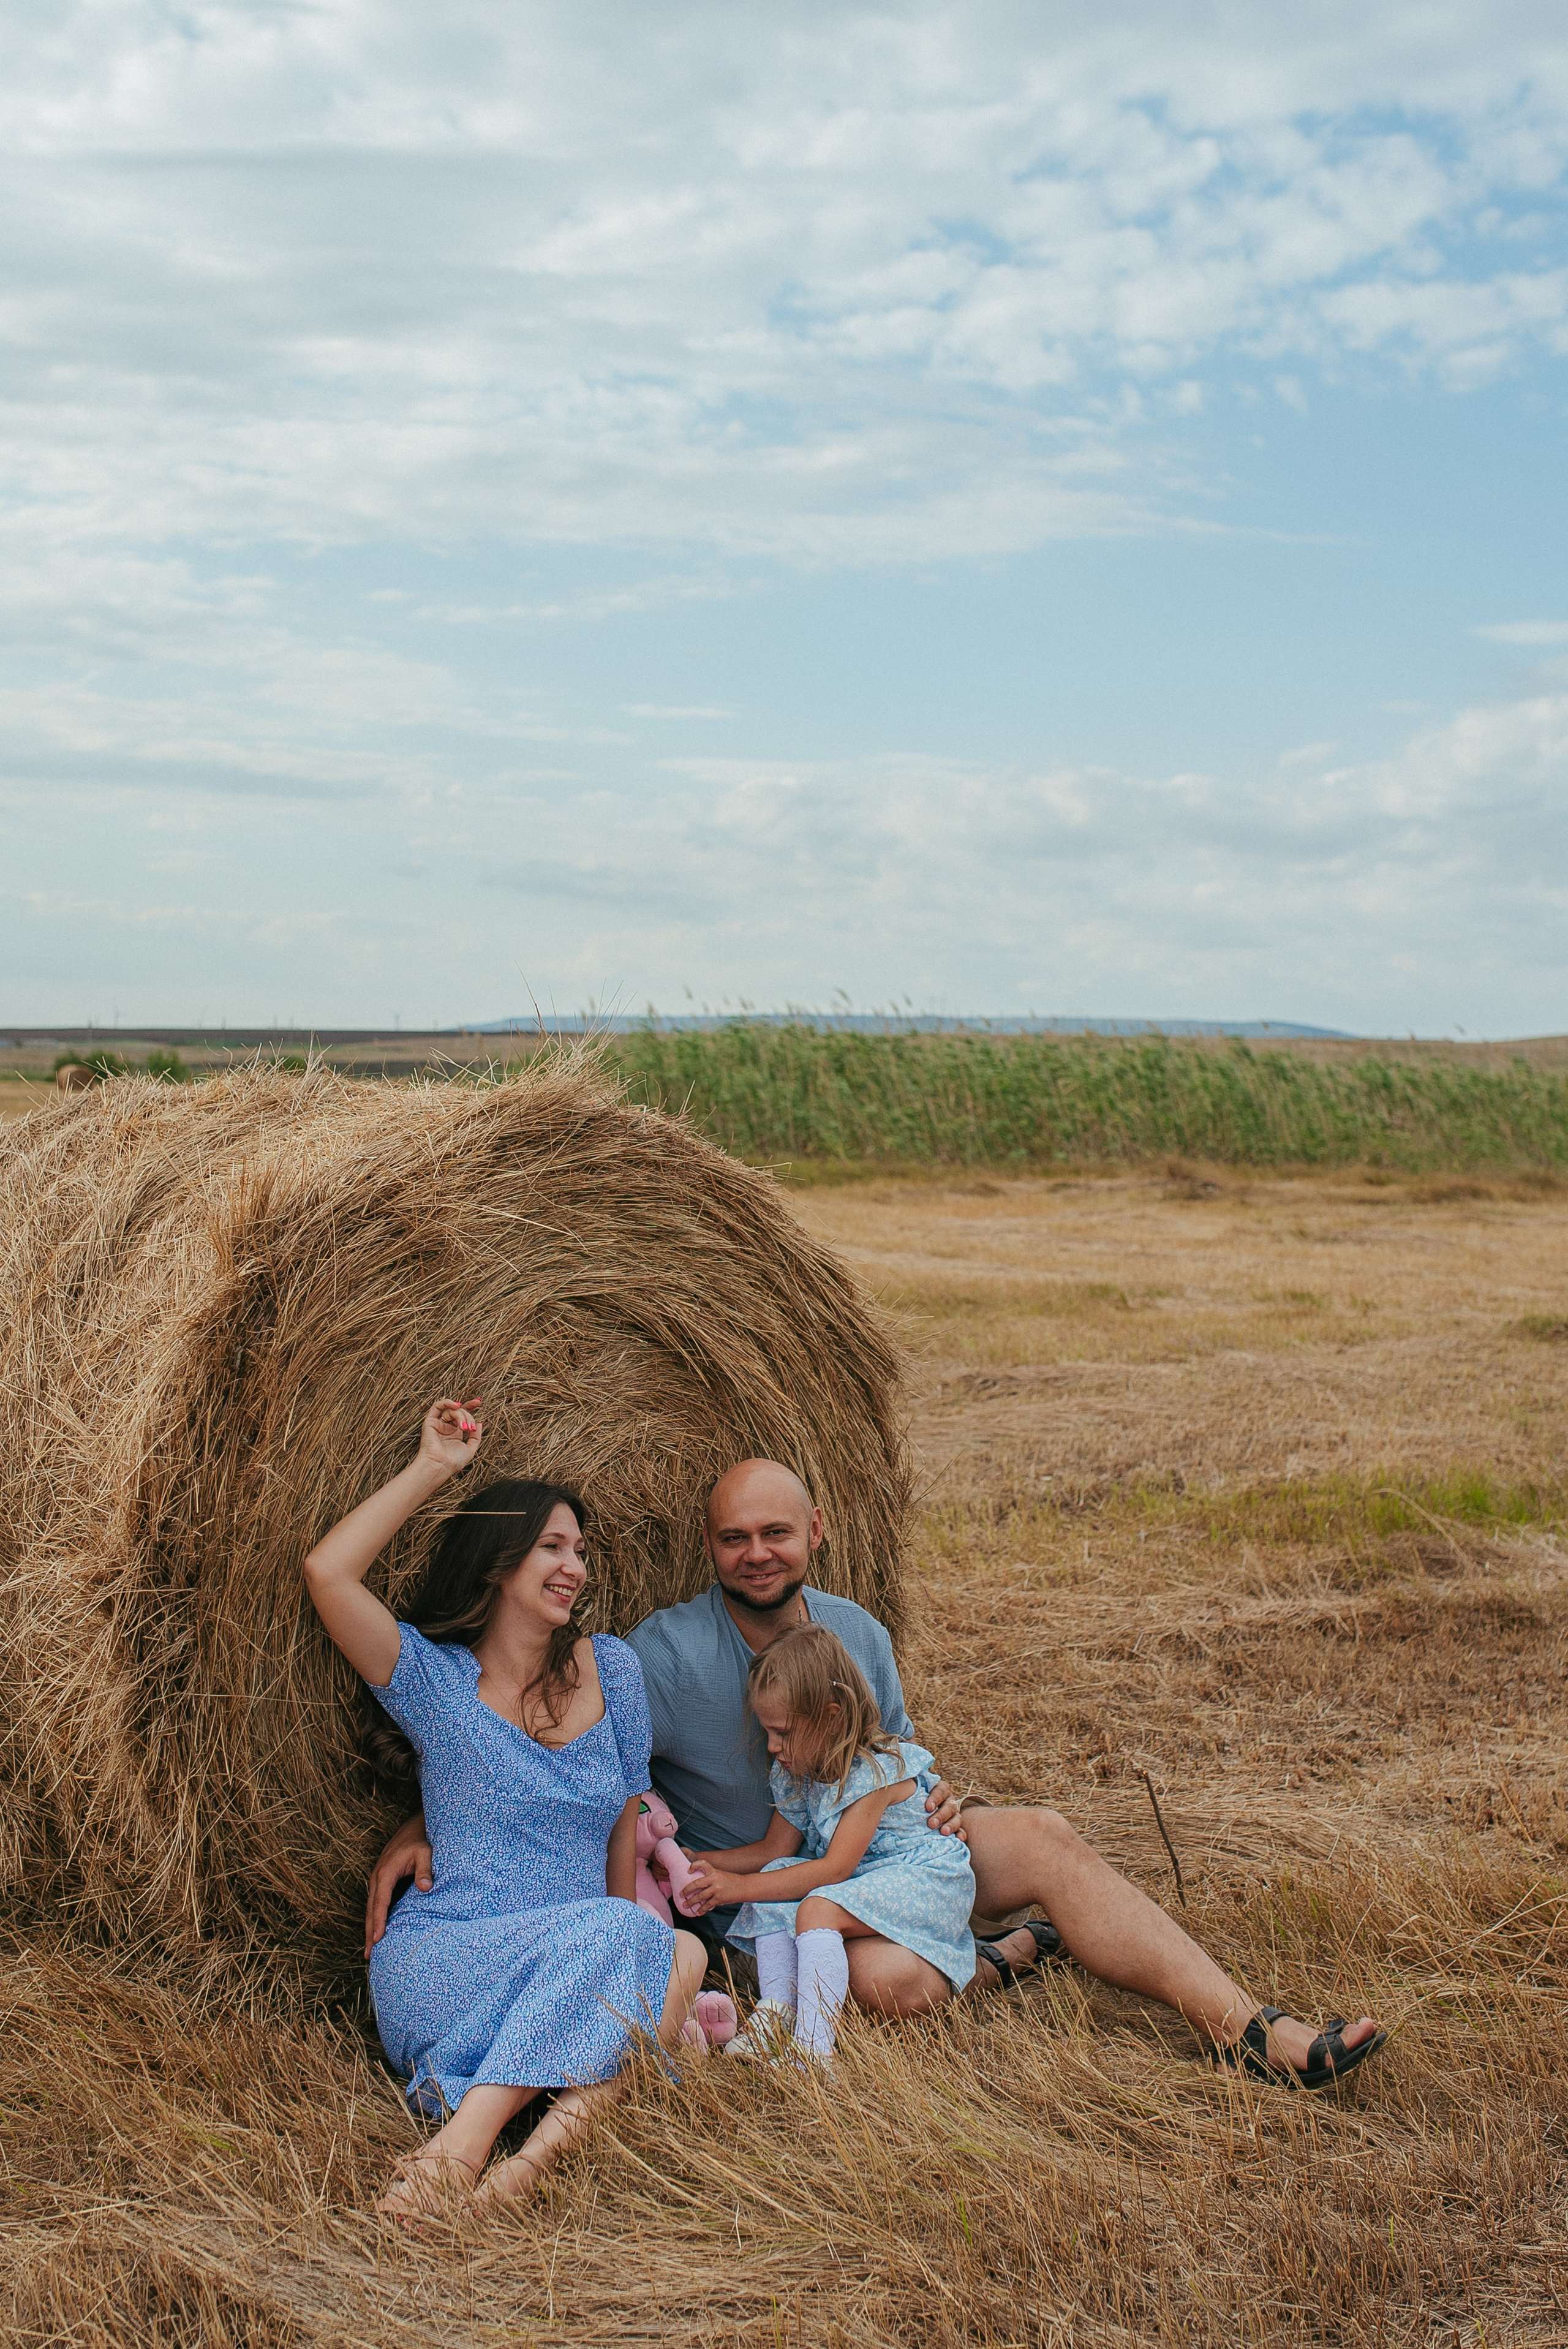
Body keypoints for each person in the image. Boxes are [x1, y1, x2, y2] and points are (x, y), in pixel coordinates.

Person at [368, 1457, 1386, 2093]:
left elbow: (891, 1765)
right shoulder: (661, 1657)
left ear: (816, 1529)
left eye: (776, 1532)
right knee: (895, 1988)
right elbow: (568, 1763)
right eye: (733, 1538)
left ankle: (1254, 2031)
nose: (756, 1554)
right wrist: (427, 1826)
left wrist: (948, 1801)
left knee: (1045, 1836)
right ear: (709, 1548)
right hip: (769, 1896)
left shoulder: (856, 1630)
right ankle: (1017, 1954)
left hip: (880, 1859)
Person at [304, 1395, 709, 2219]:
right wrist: (434, 1465)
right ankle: (471, 2145)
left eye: (582, 1550)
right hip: (447, 1959)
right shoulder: (436, 1686)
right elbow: (328, 1573)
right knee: (649, 1948)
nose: (576, 1566)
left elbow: (622, 1827)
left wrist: (615, 1943)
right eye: (552, 1547)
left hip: (570, 1950)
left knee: (675, 1951)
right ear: (498, 1561)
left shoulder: (614, 1669)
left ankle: (516, 2170)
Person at [686, 1622, 978, 2067]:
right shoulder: (798, 1771)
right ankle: (776, 2013)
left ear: (832, 1717)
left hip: (926, 1879)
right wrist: (702, 1862)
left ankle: (813, 2052)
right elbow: (770, 1850)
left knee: (815, 1906)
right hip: (870, 1879)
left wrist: (735, 1888)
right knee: (774, 1876)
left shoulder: (873, 1772)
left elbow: (835, 1869)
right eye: (768, 1731)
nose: (772, 1746)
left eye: (782, 1732)